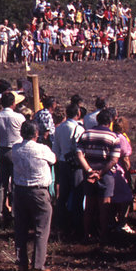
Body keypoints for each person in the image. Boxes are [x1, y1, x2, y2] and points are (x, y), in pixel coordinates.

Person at [10, 121, 56, 271]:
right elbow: (53, 159)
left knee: (21, 228)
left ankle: (22, 262)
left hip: (21, 191)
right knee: (41, 229)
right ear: (36, 134)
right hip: (39, 191)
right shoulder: (42, 149)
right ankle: (38, 264)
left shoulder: (15, 148)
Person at [76, 108, 121, 244]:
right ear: (110, 121)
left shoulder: (86, 134)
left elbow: (79, 154)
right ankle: (103, 236)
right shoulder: (113, 137)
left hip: (88, 174)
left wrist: (89, 171)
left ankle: (86, 234)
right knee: (104, 207)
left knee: (89, 206)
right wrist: (100, 173)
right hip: (105, 175)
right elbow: (113, 160)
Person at [0, 90, 25, 220]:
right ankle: (15, 213)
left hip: (2, 149)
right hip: (15, 149)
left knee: (2, 183)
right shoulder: (19, 117)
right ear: (13, 103)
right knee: (15, 183)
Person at [52, 102, 84, 240]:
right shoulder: (79, 129)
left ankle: (60, 223)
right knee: (77, 194)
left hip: (63, 163)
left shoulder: (59, 128)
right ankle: (77, 225)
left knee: (63, 195)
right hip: (76, 165)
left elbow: (55, 149)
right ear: (78, 114)